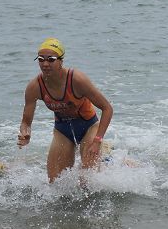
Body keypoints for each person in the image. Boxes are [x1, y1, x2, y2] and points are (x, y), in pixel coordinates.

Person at [18, 37, 114, 181]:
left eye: (51, 59)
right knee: (55, 182)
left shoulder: (77, 79)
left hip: (89, 126)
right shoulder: (35, 87)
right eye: (40, 59)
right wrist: (25, 133)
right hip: (62, 131)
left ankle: (109, 159)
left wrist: (97, 140)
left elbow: (107, 108)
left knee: (88, 180)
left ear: (61, 61)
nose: (45, 64)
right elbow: (26, 122)